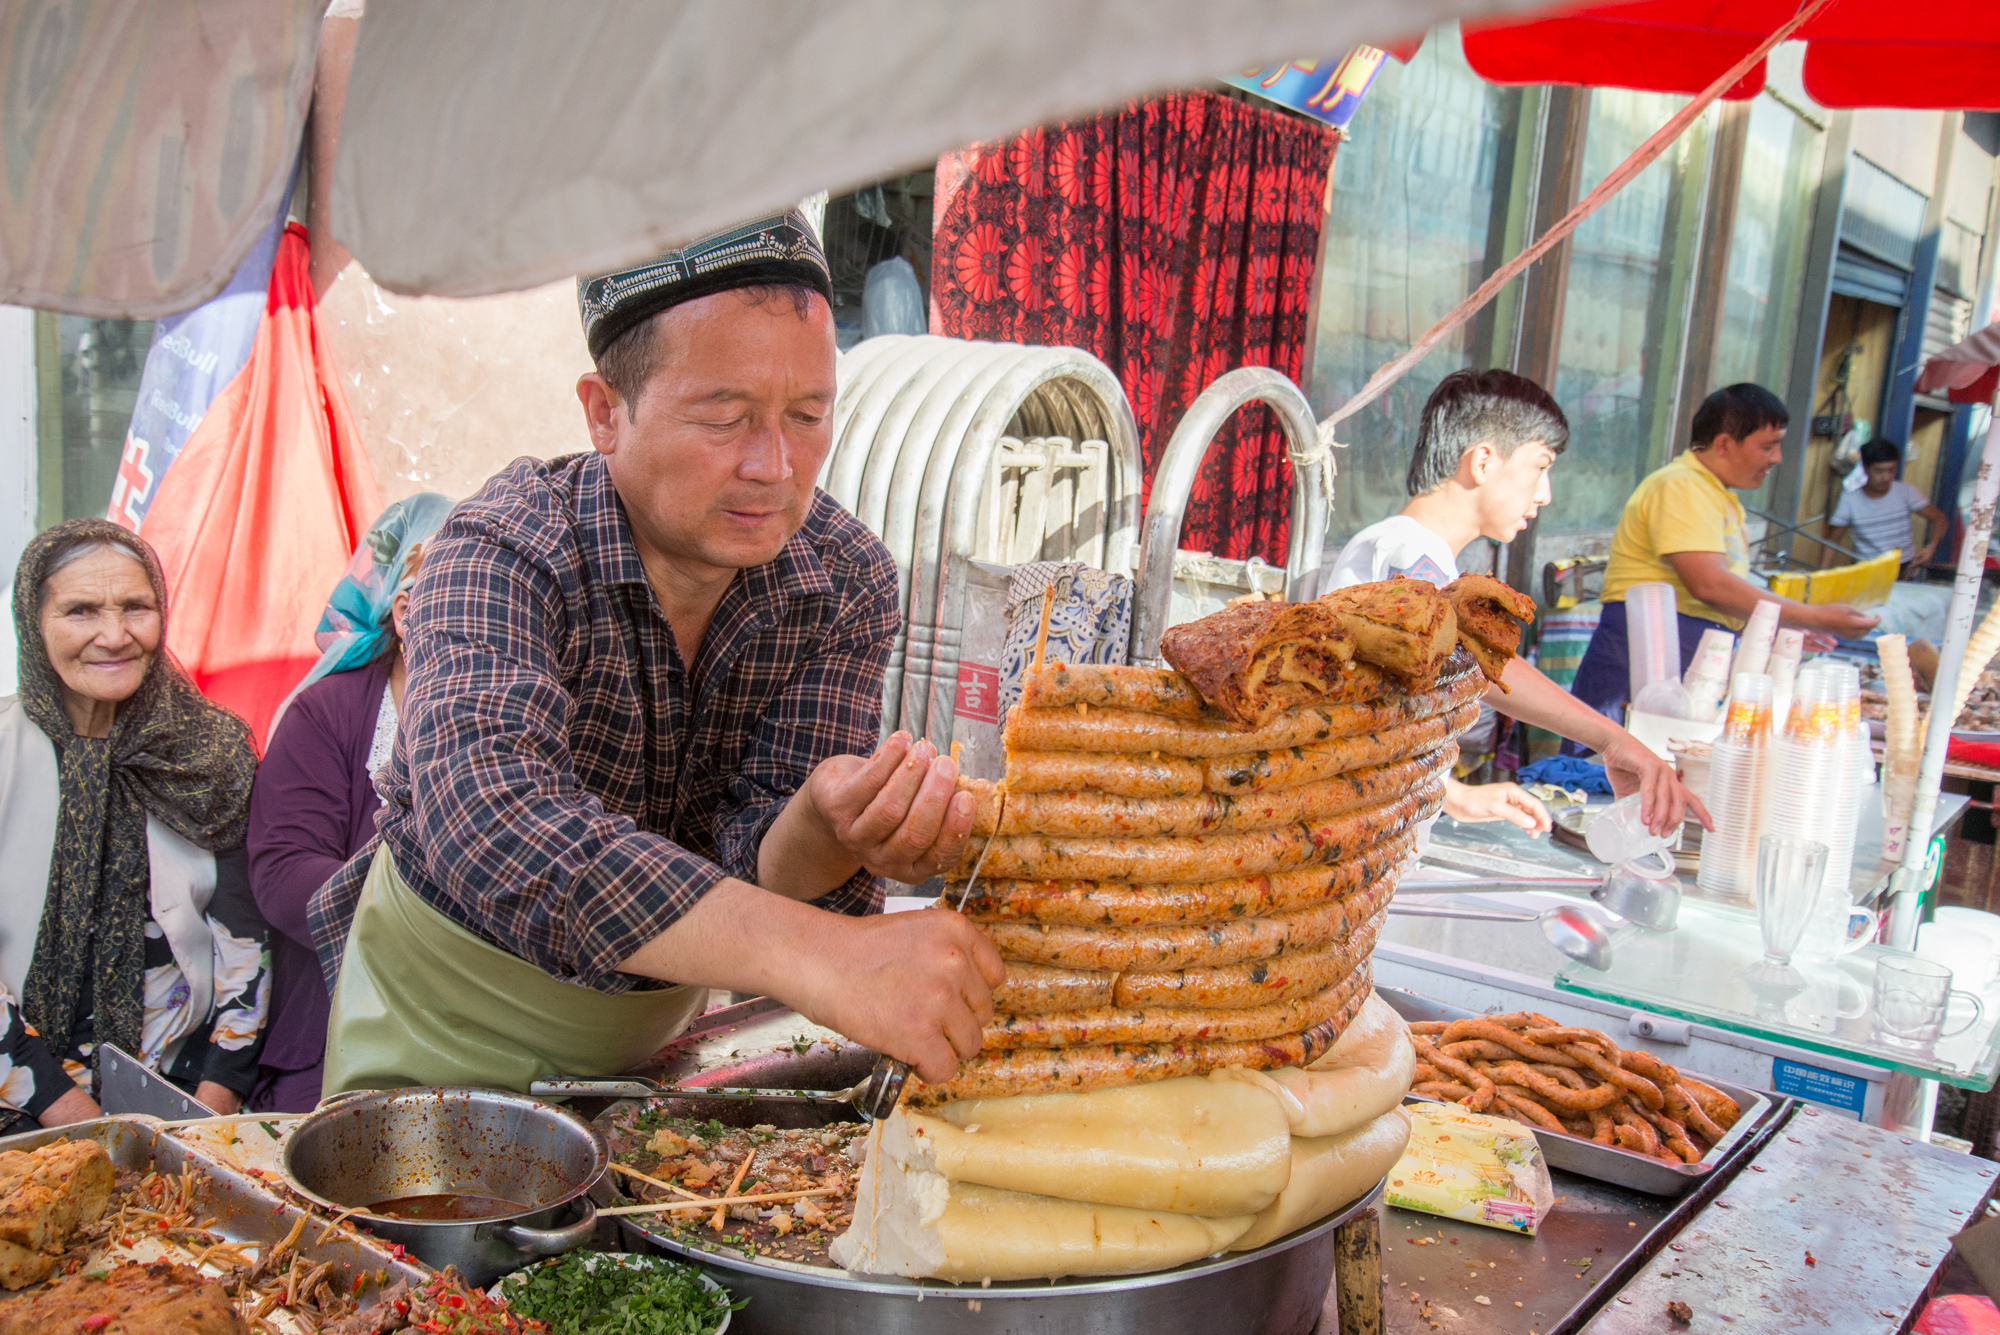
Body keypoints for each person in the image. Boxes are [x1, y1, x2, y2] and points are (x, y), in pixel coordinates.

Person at [307, 212, 1003, 1096]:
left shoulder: (843, 577)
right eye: (725, 416)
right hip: (445, 1020)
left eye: (807, 414)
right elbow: (493, 822)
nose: (775, 465)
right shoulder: (499, 549)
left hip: (656, 1042)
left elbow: (754, 860)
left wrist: (825, 830)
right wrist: (827, 954)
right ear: (604, 412)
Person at [1329, 370, 1705, 837]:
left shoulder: (1418, 556)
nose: (1545, 494)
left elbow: (1381, 727)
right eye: (1541, 466)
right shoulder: (1406, 552)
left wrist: (1453, 794)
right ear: (1483, 461)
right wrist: (1612, 741)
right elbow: (1478, 661)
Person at [0, 520, 267, 1132]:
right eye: (81, 610)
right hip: (17, 1101)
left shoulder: (210, 755)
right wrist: (78, 1123)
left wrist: (209, 1112)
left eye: (136, 607)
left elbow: (248, 948)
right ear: (32, 623)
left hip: (180, 1097)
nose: (114, 635)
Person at [246, 494, 454, 1113]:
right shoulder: (328, 712)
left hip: (482, 1022)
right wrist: (439, 924)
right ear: (406, 608)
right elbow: (283, 874)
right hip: (341, 1023)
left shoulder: (525, 717)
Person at [1568, 384, 1879, 727]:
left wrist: (1771, 627)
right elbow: (1710, 585)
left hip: (1689, 650)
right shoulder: (1682, 485)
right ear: (1724, 444)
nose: (1776, 458)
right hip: (1647, 652)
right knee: (1613, 762)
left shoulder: (1715, 494)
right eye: (1768, 446)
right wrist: (1813, 616)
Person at [1827, 438, 1947, 574]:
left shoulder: (1905, 491)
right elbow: (1832, 542)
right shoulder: (1850, 500)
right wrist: (1821, 575)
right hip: (1868, 571)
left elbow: (1939, 518)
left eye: (1891, 470)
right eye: (1879, 471)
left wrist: (1931, 547)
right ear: (1865, 469)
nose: (1886, 477)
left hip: (1904, 568)